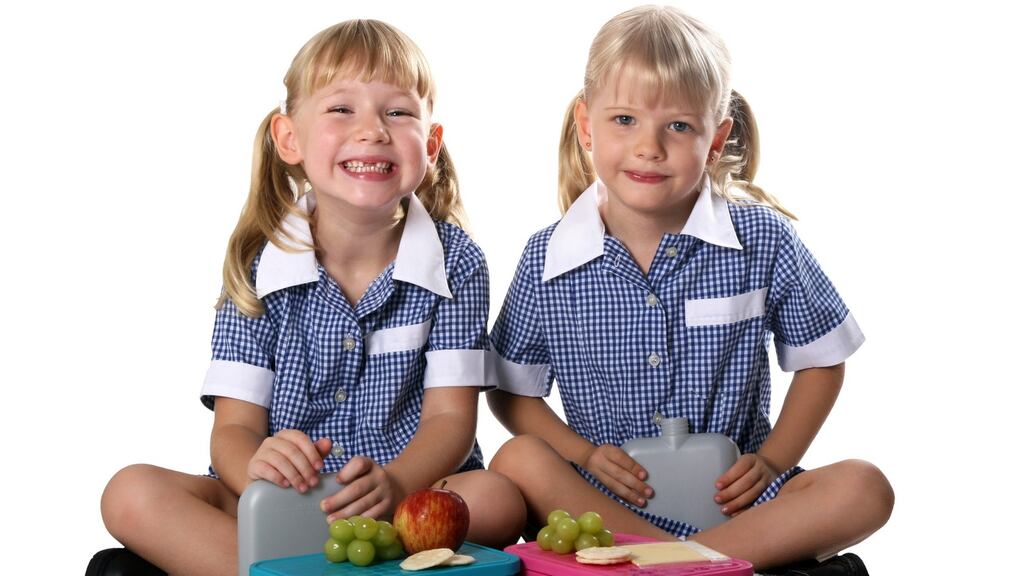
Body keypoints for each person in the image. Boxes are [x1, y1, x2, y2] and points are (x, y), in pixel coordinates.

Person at [96, 19, 525, 576]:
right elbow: (233, 428)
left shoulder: (457, 260)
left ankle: (282, 567)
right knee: (130, 492)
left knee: (498, 498)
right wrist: (257, 465)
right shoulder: (258, 263)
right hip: (283, 501)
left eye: (398, 112)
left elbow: (450, 419)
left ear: (431, 144)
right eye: (341, 109)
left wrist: (396, 483)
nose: (372, 130)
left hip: (402, 501)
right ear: (288, 139)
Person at [486, 6, 893, 574]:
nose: (649, 147)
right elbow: (512, 390)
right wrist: (584, 455)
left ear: (716, 136)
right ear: (586, 125)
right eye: (624, 120)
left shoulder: (761, 238)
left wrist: (773, 461)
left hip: (740, 505)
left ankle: (670, 563)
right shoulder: (547, 258)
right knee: (516, 459)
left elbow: (822, 360)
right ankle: (690, 562)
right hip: (607, 504)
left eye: (678, 126)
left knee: (864, 486)